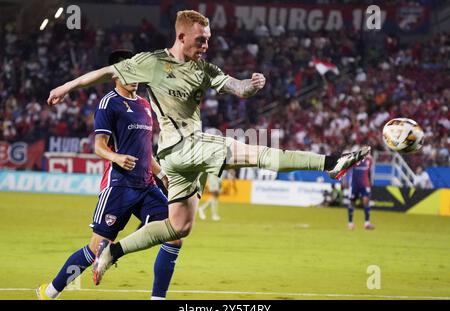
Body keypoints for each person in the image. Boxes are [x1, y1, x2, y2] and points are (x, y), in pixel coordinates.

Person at [47, 10, 370, 285]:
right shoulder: (152, 62)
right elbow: (106, 73)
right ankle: (330, 163)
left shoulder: (204, 69)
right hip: (185, 145)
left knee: (178, 226)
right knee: (258, 153)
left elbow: (237, 88)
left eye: (208, 39)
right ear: (182, 37)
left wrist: (251, 86)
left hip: (177, 161)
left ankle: (112, 252)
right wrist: (67, 86)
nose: (206, 45)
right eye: (201, 39)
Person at [37, 50, 182, 300]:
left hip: (146, 185)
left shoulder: (145, 105)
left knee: (176, 231)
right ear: (116, 74)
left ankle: (157, 297)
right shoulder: (109, 103)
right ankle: (49, 291)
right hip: (119, 186)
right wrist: (117, 157)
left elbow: (146, 151)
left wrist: (163, 175)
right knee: (94, 249)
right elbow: (98, 146)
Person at [346, 151, 375, 230]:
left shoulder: (369, 159)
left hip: (364, 184)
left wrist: (371, 182)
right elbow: (346, 169)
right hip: (354, 184)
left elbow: (370, 171)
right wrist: (345, 181)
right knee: (352, 202)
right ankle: (350, 223)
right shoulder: (354, 158)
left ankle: (367, 224)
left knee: (366, 201)